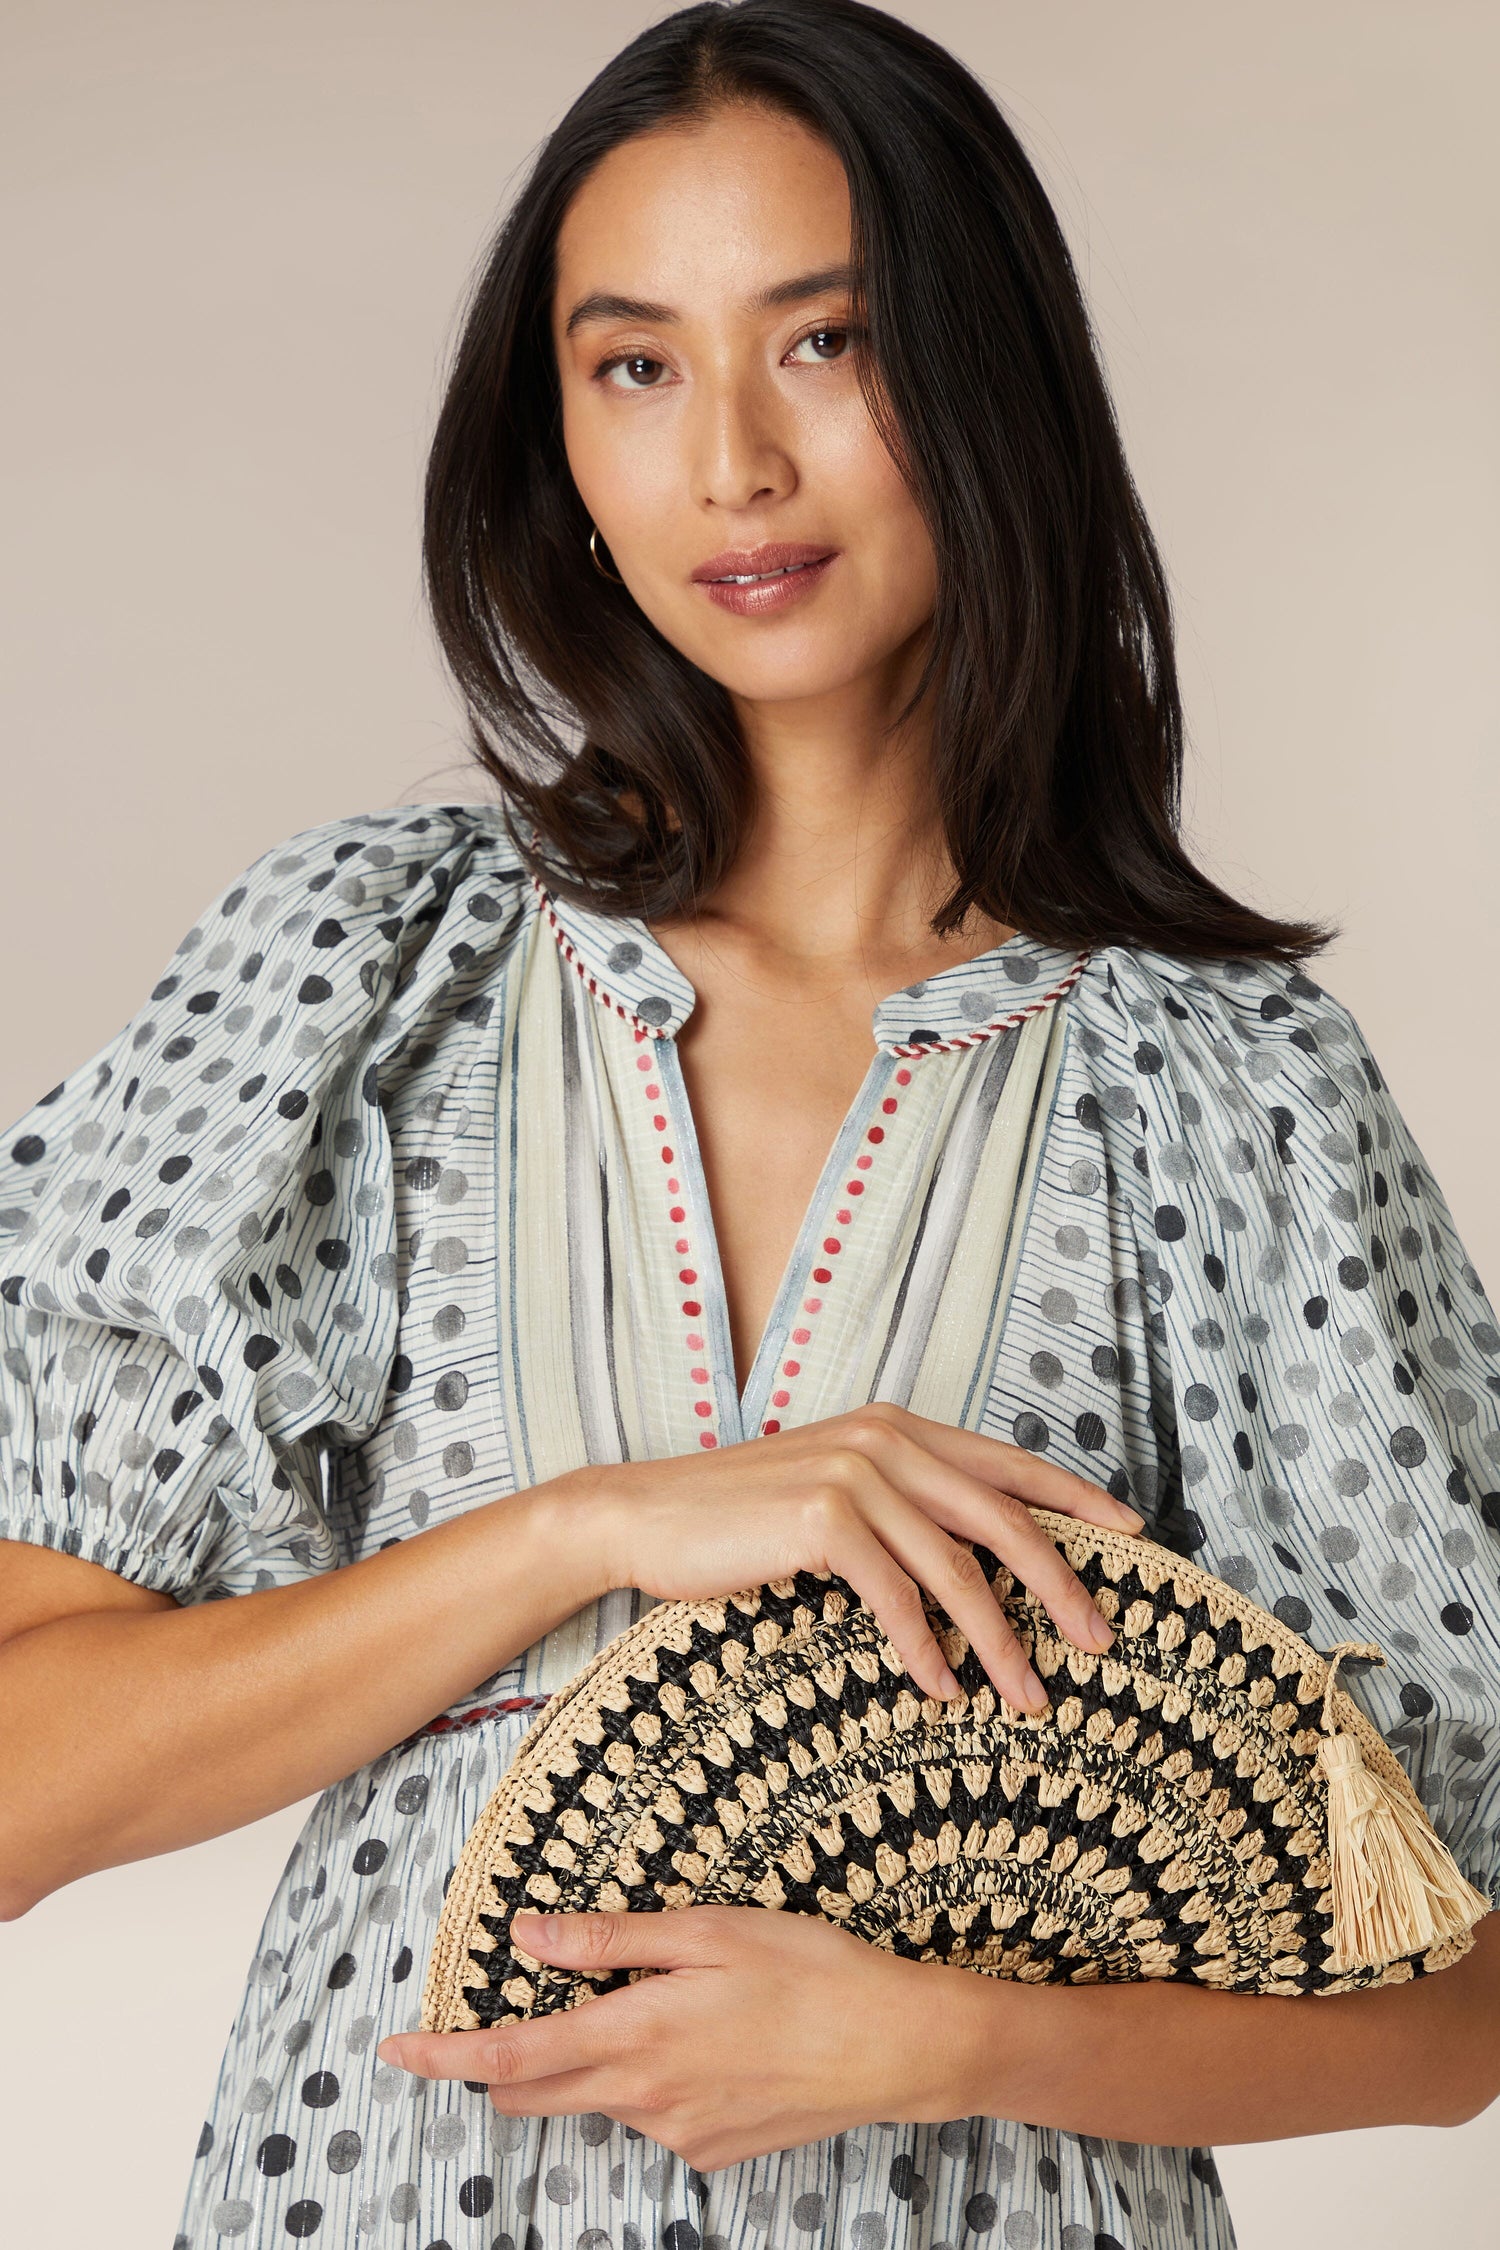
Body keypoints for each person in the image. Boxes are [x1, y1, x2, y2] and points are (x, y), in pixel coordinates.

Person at [2, 1, 1497, 2243]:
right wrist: (581, 1530)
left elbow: (1463, 1999)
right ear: (563, 448)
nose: (730, 464)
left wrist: (955, 2036)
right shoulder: (361, 978)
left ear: (987, 385)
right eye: (634, 365)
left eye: (826, 343)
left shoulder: (1230, 1093)